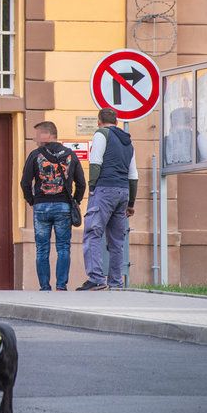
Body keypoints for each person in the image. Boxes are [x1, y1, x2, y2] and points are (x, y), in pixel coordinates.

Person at [77, 108, 139, 291]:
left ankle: (96, 278)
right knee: (117, 240)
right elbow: (133, 174)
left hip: (105, 189)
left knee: (93, 233)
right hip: (123, 191)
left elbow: (95, 162)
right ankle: (116, 282)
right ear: (117, 122)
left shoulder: (101, 134)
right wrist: (131, 203)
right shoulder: (128, 142)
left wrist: (93, 188)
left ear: (99, 121)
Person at [19, 120, 85, 291]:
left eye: (37, 134)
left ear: (46, 134)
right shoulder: (70, 154)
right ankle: (61, 286)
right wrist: (75, 201)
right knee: (63, 247)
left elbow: (25, 182)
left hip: (41, 207)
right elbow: (82, 183)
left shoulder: (35, 155)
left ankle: (44, 287)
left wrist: (32, 201)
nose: (35, 139)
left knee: (42, 248)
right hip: (63, 206)